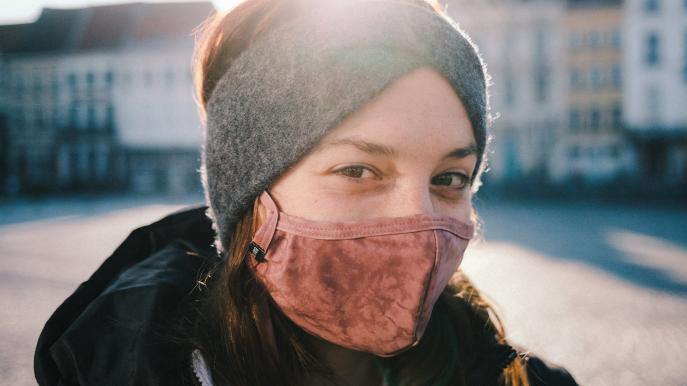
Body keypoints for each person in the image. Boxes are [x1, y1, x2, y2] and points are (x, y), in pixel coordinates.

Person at [34, 0, 580, 385]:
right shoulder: (116, 367)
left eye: (449, 178)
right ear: (249, 192)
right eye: (358, 170)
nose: (419, 219)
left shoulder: (517, 379)